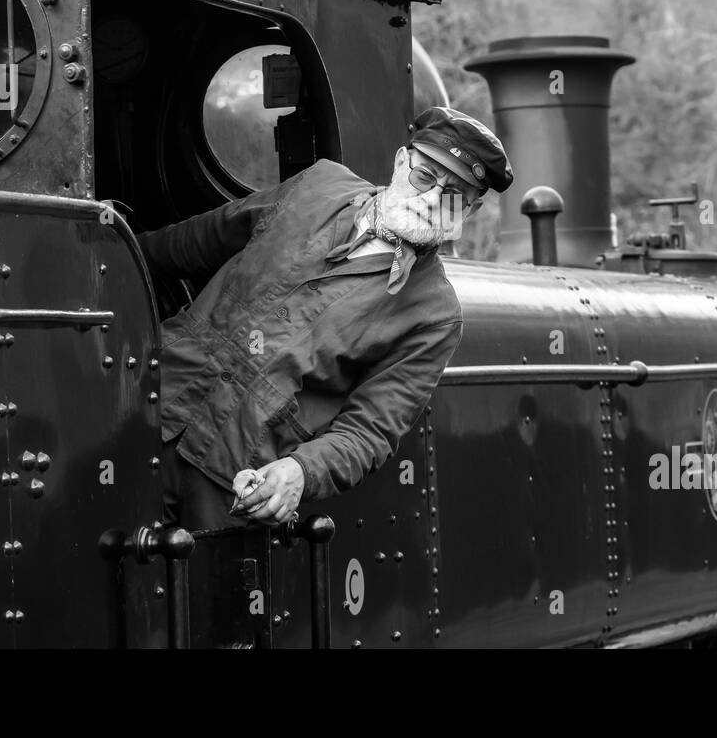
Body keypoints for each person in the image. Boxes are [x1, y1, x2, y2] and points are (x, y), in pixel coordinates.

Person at [138, 106, 514, 531]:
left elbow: (369, 432)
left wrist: (300, 471)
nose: (430, 202)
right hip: (149, 406)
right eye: (424, 178)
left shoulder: (436, 316)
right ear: (400, 162)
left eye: (453, 198)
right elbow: (198, 241)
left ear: (471, 210)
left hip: (234, 481)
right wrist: (109, 252)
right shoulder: (317, 185)